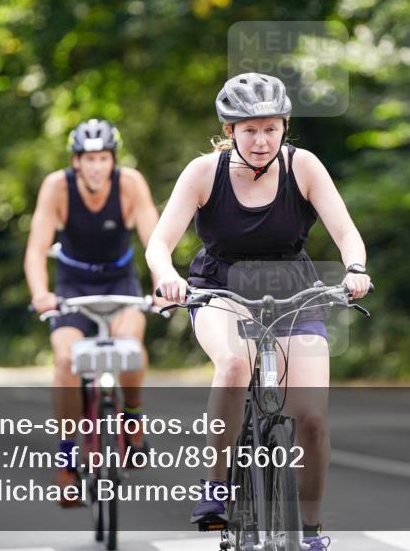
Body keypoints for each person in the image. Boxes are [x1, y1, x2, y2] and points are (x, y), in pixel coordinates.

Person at [146, 73, 371, 550]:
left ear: (284, 126)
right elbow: (159, 244)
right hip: (220, 292)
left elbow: (347, 232)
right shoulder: (203, 173)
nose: (261, 139)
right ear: (229, 131)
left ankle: (309, 530)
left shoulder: (303, 167)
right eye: (249, 129)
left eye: (270, 128)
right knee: (233, 364)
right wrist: (167, 275)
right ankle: (216, 486)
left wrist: (354, 269)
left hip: (295, 294)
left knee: (310, 418)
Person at [24, 118, 160, 506]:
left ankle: (132, 419)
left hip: (120, 284)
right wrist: (40, 293)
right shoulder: (57, 187)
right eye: (88, 159)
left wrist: (162, 285)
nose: (96, 166)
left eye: (103, 158)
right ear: (76, 161)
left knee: (130, 344)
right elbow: (36, 249)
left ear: (112, 160)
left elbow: (155, 242)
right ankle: (67, 462)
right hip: (72, 287)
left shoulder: (130, 183)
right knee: (66, 361)